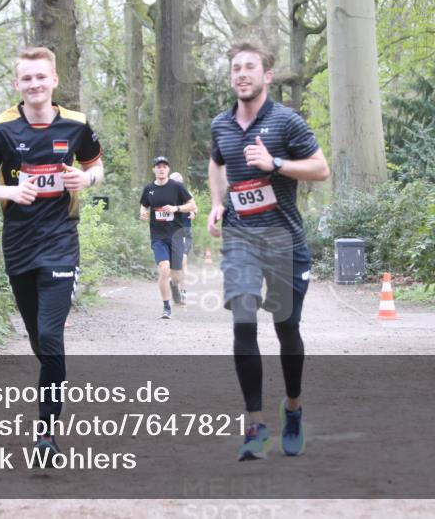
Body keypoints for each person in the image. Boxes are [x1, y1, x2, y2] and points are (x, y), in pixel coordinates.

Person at [0, 46, 103, 465]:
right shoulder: (0, 129)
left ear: (54, 80)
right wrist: (10, 190)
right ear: (17, 84)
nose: (34, 85)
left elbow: (98, 168)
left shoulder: (77, 125)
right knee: (38, 341)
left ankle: (46, 433)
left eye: (41, 77)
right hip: (19, 244)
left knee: (50, 337)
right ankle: (51, 381)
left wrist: (86, 178)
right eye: (26, 78)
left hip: (62, 241)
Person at [207, 40, 330, 461]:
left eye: (250, 67)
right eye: (236, 68)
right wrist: (217, 202)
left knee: (285, 328)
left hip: (284, 240)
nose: (242, 74)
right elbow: (217, 161)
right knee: (243, 323)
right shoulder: (221, 124)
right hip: (241, 238)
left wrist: (275, 164)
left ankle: (292, 408)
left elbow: (320, 168)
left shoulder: (287, 122)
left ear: (267, 75)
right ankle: (255, 424)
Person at [139, 157, 197, 318]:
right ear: (154, 170)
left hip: (176, 235)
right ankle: (166, 307)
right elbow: (144, 204)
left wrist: (176, 208)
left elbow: (192, 205)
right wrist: (142, 212)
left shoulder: (177, 187)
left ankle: (174, 285)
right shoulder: (149, 188)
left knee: (176, 275)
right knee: (164, 269)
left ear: (168, 170)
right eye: (158, 167)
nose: (161, 169)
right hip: (158, 236)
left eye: (164, 166)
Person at [169, 171, 197, 279]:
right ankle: (174, 281)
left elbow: (195, 207)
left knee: (183, 259)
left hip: (184, 230)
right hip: (170, 231)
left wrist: (193, 212)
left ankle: (182, 288)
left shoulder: (187, 194)